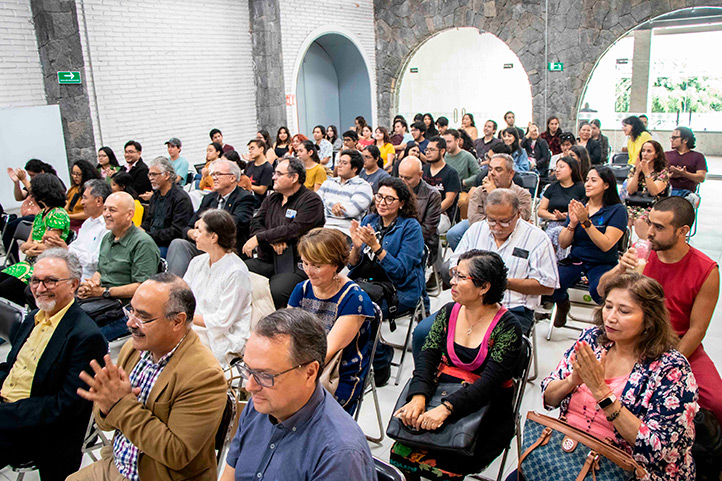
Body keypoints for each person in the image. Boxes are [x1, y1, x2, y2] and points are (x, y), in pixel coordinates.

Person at [537, 273, 697, 481]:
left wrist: (601, 392)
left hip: (624, 469)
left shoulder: (671, 369)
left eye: (624, 311)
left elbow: (657, 451)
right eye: (608, 306)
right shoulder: (592, 340)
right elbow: (548, 399)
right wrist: (572, 381)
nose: (611, 317)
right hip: (569, 452)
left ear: (649, 320)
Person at [71, 273, 228, 481]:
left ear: (177, 322)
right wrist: (105, 403)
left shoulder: (204, 376)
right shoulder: (133, 349)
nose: (131, 323)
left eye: (143, 317)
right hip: (117, 464)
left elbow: (176, 453)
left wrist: (119, 404)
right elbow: (106, 424)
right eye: (131, 311)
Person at [392, 250, 522, 480]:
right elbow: (427, 358)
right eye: (454, 274)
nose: (452, 281)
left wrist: (446, 409)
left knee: (448, 462)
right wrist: (419, 396)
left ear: (484, 287)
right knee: (401, 454)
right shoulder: (449, 311)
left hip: (484, 409)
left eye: (461, 277)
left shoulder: (508, 327)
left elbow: (490, 383)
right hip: (441, 393)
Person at [598, 196, 722, 424]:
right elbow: (601, 290)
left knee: (716, 402)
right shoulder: (641, 253)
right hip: (633, 338)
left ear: (682, 231)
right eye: (650, 223)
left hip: (677, 343)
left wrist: (670, 364)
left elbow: (697, 330)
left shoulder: (706, 270)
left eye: (659, 227)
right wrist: (619, 269)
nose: (649, 232)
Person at [219, 308, 376, 481]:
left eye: (265, 375)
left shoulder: (339, 454)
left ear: (309, 373)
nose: (250, 386)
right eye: (248, 369)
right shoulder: (257, 407)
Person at [0, 249, 107, 481]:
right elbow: (12, 369)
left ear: (73, 285)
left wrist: (5, 414)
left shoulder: (86, 336)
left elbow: (66, 405)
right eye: (36, 280)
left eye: (50, 281)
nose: (39, 288)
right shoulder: (34, 318)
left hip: (37, 429)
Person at [288, 228, 374, 413]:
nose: (309, 271)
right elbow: (287, 332)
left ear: (335, 264)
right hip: (303, 363)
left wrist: (289, 372)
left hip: (338, 373)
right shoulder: (301, 289)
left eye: (316, 265)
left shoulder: (354, 299)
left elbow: (327, 351)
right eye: (305, 263)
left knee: (292, 405)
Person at [349, 176, 425, 383]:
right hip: (367, 282)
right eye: (379, 196)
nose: (382, 202)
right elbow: (352, 265)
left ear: (401, 203)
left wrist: (376, 247)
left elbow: (400, 271)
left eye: (389, 199)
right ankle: (355, 357)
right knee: (340, 298)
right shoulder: (369, 220)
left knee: (359, 308)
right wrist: (356, 247)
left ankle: (380, 361)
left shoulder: (410, 228)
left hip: (398, 290)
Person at [242, 158, 325, 308]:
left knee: (276, 292)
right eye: (274, 173)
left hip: (296, 263)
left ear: (294, 178)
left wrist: (260, 237)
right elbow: (255, 222)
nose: (273, 177)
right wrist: (272, 239)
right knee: (238, 272)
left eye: (279, 174)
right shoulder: (272, 198)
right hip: (267, 258)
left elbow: (294, 229)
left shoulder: (311, 201)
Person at [78, 192, 160, 341]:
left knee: (83, 338)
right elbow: (100, 271)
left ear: (129, 215)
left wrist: (103, 292)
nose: (106, 215)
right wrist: (91, 284)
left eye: (112, 210)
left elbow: (142, 286)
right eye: (105, 209)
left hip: (126, 309)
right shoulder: (108, 238)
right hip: (103, 301)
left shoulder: (143, 243)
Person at [553, 166, 628, 327]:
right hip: (576, 260)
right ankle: (562, 305)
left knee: (599, 291)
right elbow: (563, 243)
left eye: (593, 180)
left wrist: (586, 222)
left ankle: (606, 325)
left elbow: (606, 245)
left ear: (606, 185)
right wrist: (572, 223)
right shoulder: (579, 207)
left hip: (602, 262)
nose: (587, 184)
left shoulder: (617, 210)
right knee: (552, 283)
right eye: (587, 180)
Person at [183, 209, 252, 366]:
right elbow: (181, 294)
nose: (195, 235)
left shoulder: (236, 272)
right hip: (193, 328)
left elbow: (222, 321)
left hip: (222, 338)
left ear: (213, 237)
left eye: (199, 231)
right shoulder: (197, 262)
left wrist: (183, 317)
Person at [167, 159, 254, 276]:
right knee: (178, 244)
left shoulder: (244, 198)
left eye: (218, 174)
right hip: (204, 246)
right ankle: (175, 288)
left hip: (227, 249)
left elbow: (236, 222)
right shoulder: (209, 198)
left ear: (232, 178)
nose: (214, 178)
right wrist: (192, 233)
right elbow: (188, 226)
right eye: (213, 174)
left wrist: (205, 223)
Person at [0, 173, 70, 307]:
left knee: (3, 288)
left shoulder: (58, 214)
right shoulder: (40, 214)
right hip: (28, 262)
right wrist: (31, 248)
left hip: (43, 265)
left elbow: (50, 247)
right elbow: (26, 245)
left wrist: (31, 248)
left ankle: (26, 310)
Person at [447, 154, 532, 252]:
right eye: (490, 169)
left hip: (510, 231)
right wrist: (492, 222)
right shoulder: (480, 191)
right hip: (483, 226)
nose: (492, 173)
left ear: (511, 174)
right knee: (453, 234)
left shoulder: (522, 194)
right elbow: (474, 220)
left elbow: (518, 221)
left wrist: (494, 194)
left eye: (498, 170)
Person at [44, 179, 111, 281]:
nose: (81, 202)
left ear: (98, 201)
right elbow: (76, 246)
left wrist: (68, 250)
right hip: (75, 272)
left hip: (89, 279)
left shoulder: (107, 227)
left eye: (84, 198)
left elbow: (96, 262)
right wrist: (60, 247)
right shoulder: (88, 222)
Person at [140, 156, 193, 257]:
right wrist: (141, 229)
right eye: (149, 174)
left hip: (169, 245)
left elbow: (177, 231)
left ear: (167, 175)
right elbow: (149, 220)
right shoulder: (155, 196)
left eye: (154, 174)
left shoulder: (180, 198)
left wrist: (148, 235)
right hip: (151, 240)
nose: (150, 178)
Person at [537, 156, 585, 259]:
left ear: (572, 169)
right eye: (556, 167)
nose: (557, 170)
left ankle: (555, 260)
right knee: (555, 231)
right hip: (553, 222)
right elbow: (541, 211)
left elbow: (585, 208)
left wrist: (568, 216)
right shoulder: (551, 188)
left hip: (574, 223)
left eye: (561, 167)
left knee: (558, 231)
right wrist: (555, 217)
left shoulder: (581, 188)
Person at [317, 149, 373, 238]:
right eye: (339, 162)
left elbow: (350, 212)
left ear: (355, 168)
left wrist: (326, 203)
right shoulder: (329, 183)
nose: (339, 165)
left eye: (344, 163)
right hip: (322, 229)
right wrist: (333, 206)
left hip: (345, 232)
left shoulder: (363, 186)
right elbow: (315, 205)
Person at [398, 156, 441, 262]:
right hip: (396, 236)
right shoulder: (395, 189)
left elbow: (428, 229)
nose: (403, 181)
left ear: (420, 175)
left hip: (421, 241)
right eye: (400, 177)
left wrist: (401, 238)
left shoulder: (432, 195)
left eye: (408, 178)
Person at [625, 140, 669, 239]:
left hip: (653, 206)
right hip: (634, 203)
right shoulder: (634, 169)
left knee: (640, 221)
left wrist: (647, 173)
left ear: (656, 155)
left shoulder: (662, 172)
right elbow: (631, 190)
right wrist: (637, 172)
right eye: (643, 151)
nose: (645, 154)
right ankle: (626, 246)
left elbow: (654, 191)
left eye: (649, 151)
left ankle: (647, 247)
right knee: (622, 217)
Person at [423, 136, 461, 232]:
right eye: (426, 149)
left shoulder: (451, 173)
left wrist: (431, 212)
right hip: (421, 211)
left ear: (442, 151)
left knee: (429, 230)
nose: (428, 152)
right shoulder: (422, 170)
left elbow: (449, 200)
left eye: (432, 150)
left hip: (443, 215)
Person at [443, 129, 481, 220]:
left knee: (462, 202)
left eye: (449, 141)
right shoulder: (443, 156)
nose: (446, 145)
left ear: (457, 141)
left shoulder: (467, 156)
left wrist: (464, 182)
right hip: (444, 188)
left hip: (462, 190)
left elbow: (478, 174)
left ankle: (464, 222)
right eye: (444, 142)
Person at [666, 126, 707, 198]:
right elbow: (656, 174)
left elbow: (701, 178)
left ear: (685, 140)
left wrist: (684, 174)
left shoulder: (698, 156)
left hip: (688, 194)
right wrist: (671, 175)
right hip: (667, 192)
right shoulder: (666, 155)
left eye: (675, 138)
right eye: (671, 138)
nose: (672, 140)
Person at [66, 160, 101, 229]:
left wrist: (69, 216)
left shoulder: (91, 190)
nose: (75, 177)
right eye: (73, 174)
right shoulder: (73, 189)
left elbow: (89, 213)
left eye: (78, 174)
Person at [244, 138, 274, 208]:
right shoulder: (249, 164)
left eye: (252, 148)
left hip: (257, 202)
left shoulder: (267, 167)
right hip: (246, 197)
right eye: (249, 149)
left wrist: (247, 185)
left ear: (261, 149)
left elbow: (262, 190)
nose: (250, 151)